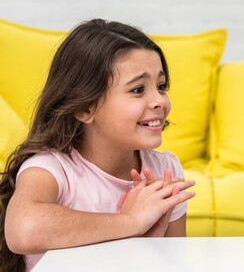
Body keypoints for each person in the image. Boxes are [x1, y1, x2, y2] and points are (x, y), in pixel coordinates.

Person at [0, 19, 196, 272]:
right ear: (85, 107)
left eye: (161, 86)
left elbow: (176, 263)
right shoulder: (50, 170)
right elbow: (22, 231)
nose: (159, 100)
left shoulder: (164, 170)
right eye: (138, 89)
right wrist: (130, 221)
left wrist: (141, 247)